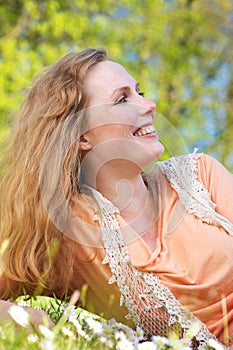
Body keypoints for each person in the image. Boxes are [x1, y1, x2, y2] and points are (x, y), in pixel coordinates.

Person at [0, 48, 232, 348]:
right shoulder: (67, 230)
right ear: (82, 136)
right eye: (122, 99)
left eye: (140, 92)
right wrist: (33, 320)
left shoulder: (200, 175)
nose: (149, 105)